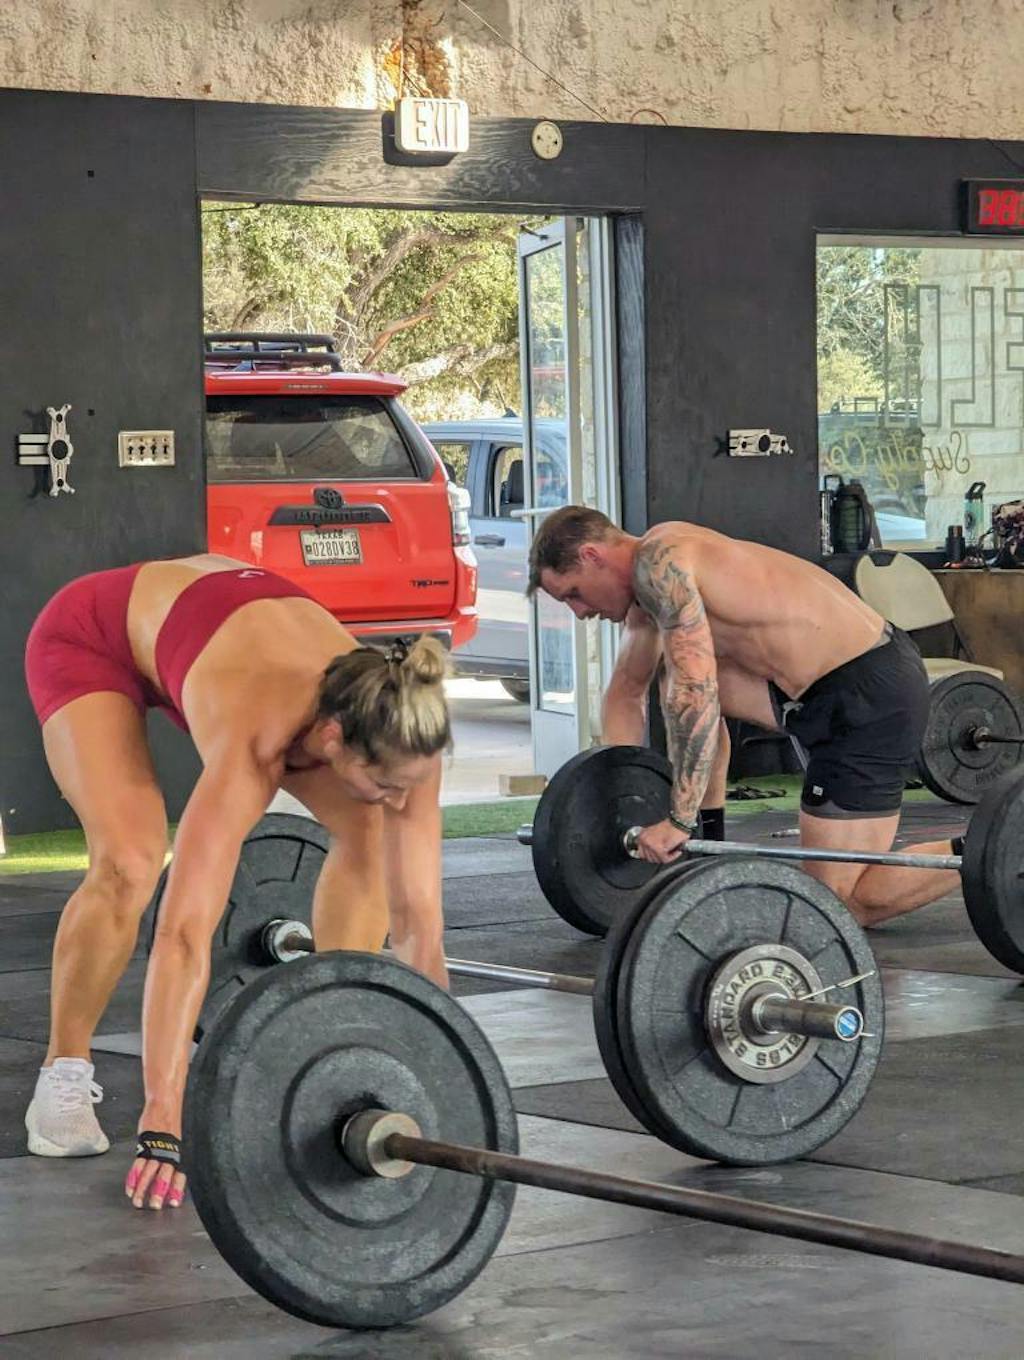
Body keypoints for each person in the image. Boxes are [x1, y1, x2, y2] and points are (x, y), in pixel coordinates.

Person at [23, 554, 452, 1212]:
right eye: (387, 782)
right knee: (132, 860)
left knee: (370, 829)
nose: (403, 800)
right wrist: (164, 1116)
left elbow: (420, 929)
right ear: (332, 739)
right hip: (95, 635)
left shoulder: (406, 732)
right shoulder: (255, 736)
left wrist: (441, 1077)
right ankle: (64, 1068)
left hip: (209, 627)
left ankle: (329, 1037)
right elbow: (184, 932)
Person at [528, 506, 961, 918]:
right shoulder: (647, 600)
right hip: (814, 697)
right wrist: (616, 804)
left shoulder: (661, 563)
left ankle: (982, 848)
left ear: (592, 556)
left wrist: (677, 819)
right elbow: (624, 694)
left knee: (839, 905)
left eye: (574, 594)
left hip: (868, 693)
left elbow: (695, 692)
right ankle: (708, 842)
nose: (580, 613)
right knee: (669, 676)